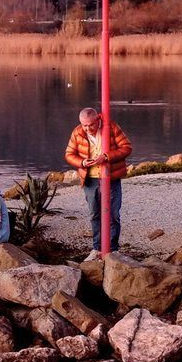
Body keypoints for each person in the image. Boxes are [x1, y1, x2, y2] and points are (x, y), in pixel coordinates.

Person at [65, 107, 132, 260]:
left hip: (111, 178)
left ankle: (113, 249)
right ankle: (96, 249)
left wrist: (107, 157)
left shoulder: (111, 127)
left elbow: (127, 147)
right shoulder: (77, 132)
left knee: (113, 214)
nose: (87, 128)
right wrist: (82, 162)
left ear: (98, 120)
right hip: (90, 179)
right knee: (95, 214)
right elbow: (69, 154)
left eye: (91, 125)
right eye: (84, 125)